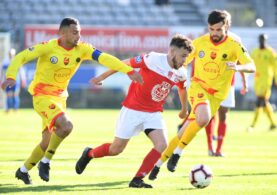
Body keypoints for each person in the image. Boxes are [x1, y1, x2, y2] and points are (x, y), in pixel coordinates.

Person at [1, 17, 143, 185]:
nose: (78, 36)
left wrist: (127, 70)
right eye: (75, 32)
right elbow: (20, 57)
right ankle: (46, 162)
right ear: (62, 33)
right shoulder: (48, 47)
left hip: (60, 98)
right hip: (42, 96)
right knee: (66, 126)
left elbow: (104, 57)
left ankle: (23, 171)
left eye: (80, 33)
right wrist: (11, 76)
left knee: (47, 142)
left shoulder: (82, 49)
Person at [75, 34, 193, 188]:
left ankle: (137, 179)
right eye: (183, 56)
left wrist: (184, 108)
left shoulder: (181, 72)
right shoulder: (152, 59)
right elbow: (123, 63)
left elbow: (182, 89)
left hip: (154, 113)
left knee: (161, 145)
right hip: (132, 110)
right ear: (172, 51)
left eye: (187, 57)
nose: (185, 60)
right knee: (116, 149)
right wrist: (102, 76)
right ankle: (89, 154)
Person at [148, 9, 255, 180]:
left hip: (217, 96)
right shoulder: (199, 43)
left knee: (183, 132)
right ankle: (178, 153)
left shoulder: (235, 46)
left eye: (218, 30)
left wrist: (238, 67)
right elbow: (181, 62)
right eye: (211, 29)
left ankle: (157, 165)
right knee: (204, 118)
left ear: (226, 27)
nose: (214, 33)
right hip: (199, 87)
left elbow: (252, 66)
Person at [205, 71, 248, 157]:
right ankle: (210, 147)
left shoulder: (234, 56)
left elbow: (240, 62)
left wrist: (244, 82)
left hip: (227, 85)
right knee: (210, 114)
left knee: (223, 116)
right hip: (211, 83)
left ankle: (219, 149)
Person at [248, 34, 277, 131]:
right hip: (257, 80)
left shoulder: (270, 52)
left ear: (266, 40)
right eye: (261, 40)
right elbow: (250, 64)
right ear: (258, 40)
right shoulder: (255, 52)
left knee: (260, 101)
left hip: (266, 80)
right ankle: (273, 123)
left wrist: (276, 80)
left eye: (264, 40)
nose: (262, 42)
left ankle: (253, 125)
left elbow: (275, 67)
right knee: (264, 103)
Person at [0, 48, 26, 113]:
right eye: (10, 54)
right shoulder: (5, 62)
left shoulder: (17, 61)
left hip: (16, 80)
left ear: (14, 54)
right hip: (8, 81)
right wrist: (1, 80)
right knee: (8, 95)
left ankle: (15, 109)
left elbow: (21, 71)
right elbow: (2, 72)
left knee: (15, 94)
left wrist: (23, 80)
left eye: (12, 54)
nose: (11, 55)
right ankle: (8, 109)